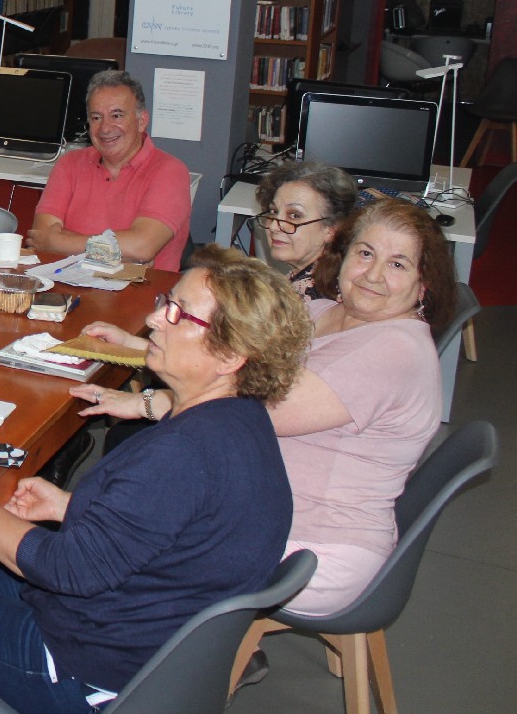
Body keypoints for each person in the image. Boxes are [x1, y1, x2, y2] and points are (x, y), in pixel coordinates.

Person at [0, 245, 304, 713]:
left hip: (104, 665)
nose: (155, 318)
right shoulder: (241, 420)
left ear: (230, 357)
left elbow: (68, 568)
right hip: (158, 628)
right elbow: (170, 525)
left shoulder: (181, 454)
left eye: (180, 315)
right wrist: (69, 506)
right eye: (168, 301)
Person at [73, 199, 449, 624]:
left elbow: (253, 413)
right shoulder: (327, 312)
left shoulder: (395, 349)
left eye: (399, 264)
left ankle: (176, 653)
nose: (375, 274)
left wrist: (147, 402)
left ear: (424, 285)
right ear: (342, 256)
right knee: (127, 511)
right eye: (366, 253)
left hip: (312, 550)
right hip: (266, 508)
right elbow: (237, 363)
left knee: (123, 539)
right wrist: (140, 345)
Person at [27, 70, 191, 271]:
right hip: (68, 288)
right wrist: (125, 256)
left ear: (142, 121)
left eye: (117, 115)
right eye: (96, 118)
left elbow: (141, 247)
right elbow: (42, 239)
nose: (105, 128)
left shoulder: (170, 171)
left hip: (141, 296)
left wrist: (62, 242)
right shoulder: (69, 164)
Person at [253, 160, 357, 298]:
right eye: (273, 211)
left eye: (295, 216)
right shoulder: (317, 276)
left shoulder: (310, 297)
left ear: (332, 229)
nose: (273, 227)